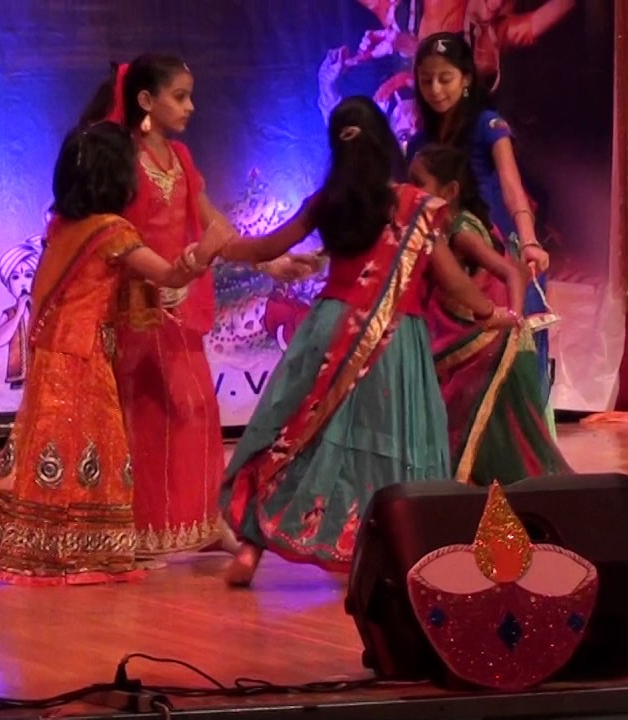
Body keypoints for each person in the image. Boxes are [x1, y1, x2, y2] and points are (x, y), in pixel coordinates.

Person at [215, 97, 520, 587]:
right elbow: (452, 281)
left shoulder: (328, 199)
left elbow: (266, 247)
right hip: (394, 339)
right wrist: (492, 313)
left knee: (296, 430)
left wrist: (215, 247)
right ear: (384, 144)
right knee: (390, 444)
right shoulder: (413, 205)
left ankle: (251, 549)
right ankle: (393, 550)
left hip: (330, 329)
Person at [0, 122, 227, 586]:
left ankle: (37, 549)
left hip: (50, 350)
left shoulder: (62, 224)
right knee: (93, 447)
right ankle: (83, 555)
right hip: (83, 354)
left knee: (50, 448)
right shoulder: (112, 232)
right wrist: (204, 251)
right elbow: (167, 276)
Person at [79, 54, 317, 559]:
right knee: (145, 413)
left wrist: (270, 264)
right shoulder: (119, 158)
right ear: (146, 101)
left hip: (180, 303)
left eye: (190, 95)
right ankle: (139, 528)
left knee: (197, 410)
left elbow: (216, 229)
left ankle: (203, 520)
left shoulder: (182, 159)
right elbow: (105, 235)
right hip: (136, 303)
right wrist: (151, 278)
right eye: (180, 96)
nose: (191, 106)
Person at [405, 32, 554, 413]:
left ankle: (528, 447)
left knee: (518, 345)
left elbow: (511, 186)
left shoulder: (489, 126)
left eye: (445, 78)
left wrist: (530, 241)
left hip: (500, 248)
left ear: (467, 78)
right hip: (448, 262)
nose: (435, 89)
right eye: (426, 80)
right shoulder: (419, 141)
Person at [411, 144, 571, 484]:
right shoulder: (445, 226)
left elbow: (513, 271)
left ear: (450, 191)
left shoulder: (463, 232)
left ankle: (510, 508)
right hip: (477, 339)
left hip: (490, 346)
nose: (411, 190)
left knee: (489, 433)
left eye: (418, 182)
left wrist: (512, 319)